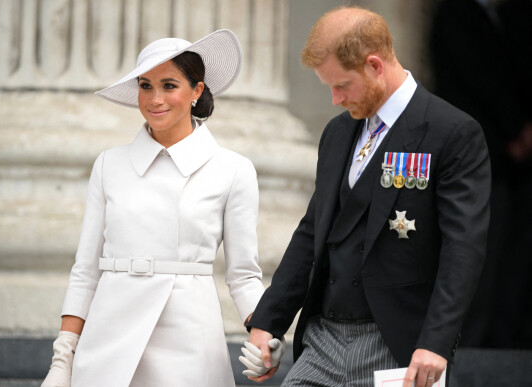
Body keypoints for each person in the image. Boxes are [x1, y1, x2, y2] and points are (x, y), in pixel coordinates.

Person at [240, 6, 491, 387]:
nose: (335, 99)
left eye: (341, 85)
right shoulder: (337, 133)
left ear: (375, 65)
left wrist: (436, 343)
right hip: (322, 339)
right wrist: (267, 322)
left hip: (397, 345)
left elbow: (464, 247)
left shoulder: (452, 132)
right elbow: (312, 232)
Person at [41, 29, 266, 387]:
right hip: (108, 338)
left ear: (197, 90)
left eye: (169, 85)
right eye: (146, 86)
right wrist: (63, 355)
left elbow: (243, 275)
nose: (155, 99)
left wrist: (264, 334)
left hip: (189, 342)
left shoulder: (233, 170)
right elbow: (85, 269)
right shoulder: (109, 165)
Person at [431, 0, 532, 348]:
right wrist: (516, 128)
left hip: (509, 164)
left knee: (504, 259)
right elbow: (475, 76)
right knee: (472, 256)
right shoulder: (457, 13)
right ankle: (466, 345)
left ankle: (493, 341)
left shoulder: (509, 16)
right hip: (476, 156)